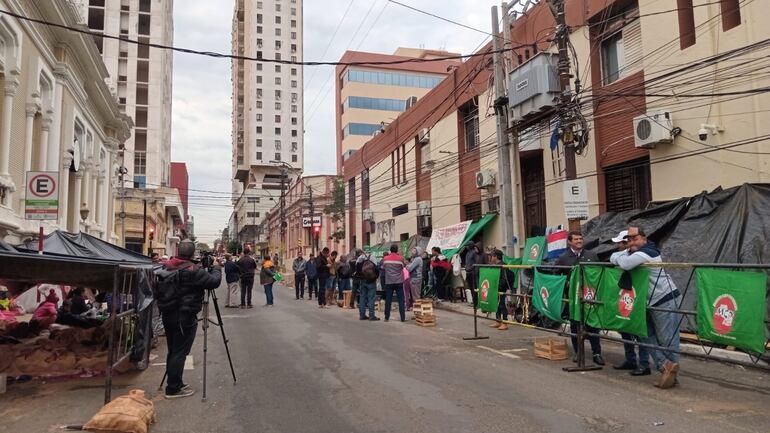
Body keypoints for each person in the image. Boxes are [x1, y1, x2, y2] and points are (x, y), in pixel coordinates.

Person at [611, 226, 681, 389]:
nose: (631, 242)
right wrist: (622, 255)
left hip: (664, 298)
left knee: (667, 338)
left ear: (644, 238)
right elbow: (614, 256)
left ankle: (672, 375)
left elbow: (626, 263)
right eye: (628, 239)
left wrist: (621, 256)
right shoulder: (634, 252)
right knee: (644, 333)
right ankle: (665, 366)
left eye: (635, 238)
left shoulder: (649, 251)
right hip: (647, 300)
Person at [155, 239, 221, 399]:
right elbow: (214, 282)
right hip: (185, 316)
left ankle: (174, 381)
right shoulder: (193, 270)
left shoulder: (167, 266)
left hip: (168, 313)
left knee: (173, 350)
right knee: (179, 351)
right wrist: (217, 268)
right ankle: (173, 387)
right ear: (192, 254)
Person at [556, 231, 604, 366]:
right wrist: (566, 284)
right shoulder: (563, 258)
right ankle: (578, 352)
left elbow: (599, 273)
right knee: (575, 326)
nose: (579, 241)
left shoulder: (592, 255)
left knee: (593, 326)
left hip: (590, 297)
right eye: (576, 239)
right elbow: (556, 275)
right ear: (569, 242)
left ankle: (597, 353)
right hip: (574, 299)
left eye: (580, 239)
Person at [488, 250, 515, 330]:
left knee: (502, 305)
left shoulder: (502, 265)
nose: (491, 257)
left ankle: (505, 322)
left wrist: (498, 286)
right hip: (496, 287)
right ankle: (498, 320)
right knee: (497, 305)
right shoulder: (497, 265)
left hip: (500, 288)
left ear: (496, 256)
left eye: (492, 256)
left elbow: (504, 278)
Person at [382, 244, 406, 322]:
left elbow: (383, 267)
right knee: (401, 300)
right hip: (399, 281)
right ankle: (402, 318)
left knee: (388, 300)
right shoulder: (401, 258)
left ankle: (386, 317)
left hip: (389, 282)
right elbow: (403, 267)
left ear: (390, 250)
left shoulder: (385, 259)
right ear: (397, 250)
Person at [355, 251, 381, 320]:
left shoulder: (359, 258)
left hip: (363, 281)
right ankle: (371, 316)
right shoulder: (372, 257)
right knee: (371, 298)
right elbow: (376, 269)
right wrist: (375, 277)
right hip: (371, 281)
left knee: (362, 298)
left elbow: (357, 269)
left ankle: (362, 315)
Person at [464, 241, 483, 306]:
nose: (466, 247)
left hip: (472, 273)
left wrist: (471, 268)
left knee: (474, 288)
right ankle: (474, 301)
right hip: (468, 272)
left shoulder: (474, 253)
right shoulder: (467, 253)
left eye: (467, 245)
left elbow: (476, 262)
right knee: (470, 287)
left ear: (470, 246)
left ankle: (476, 302)